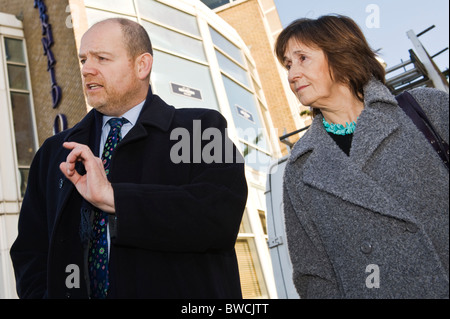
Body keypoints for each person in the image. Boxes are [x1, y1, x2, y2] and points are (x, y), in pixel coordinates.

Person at [10, 18, 248, 299]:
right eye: (84, 59)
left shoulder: (200, 129)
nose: (87, 69)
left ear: (141, 65)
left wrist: (113, 198)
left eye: (102, 58)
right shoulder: (54, 152)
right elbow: (31, 251)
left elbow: (219, 216)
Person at [276, 15, 449, 298]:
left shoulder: (427, 109)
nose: (292, 75)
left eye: (302, 58)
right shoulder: (301, 165)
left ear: (341, 55)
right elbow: (314, 275)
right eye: (288, 64)